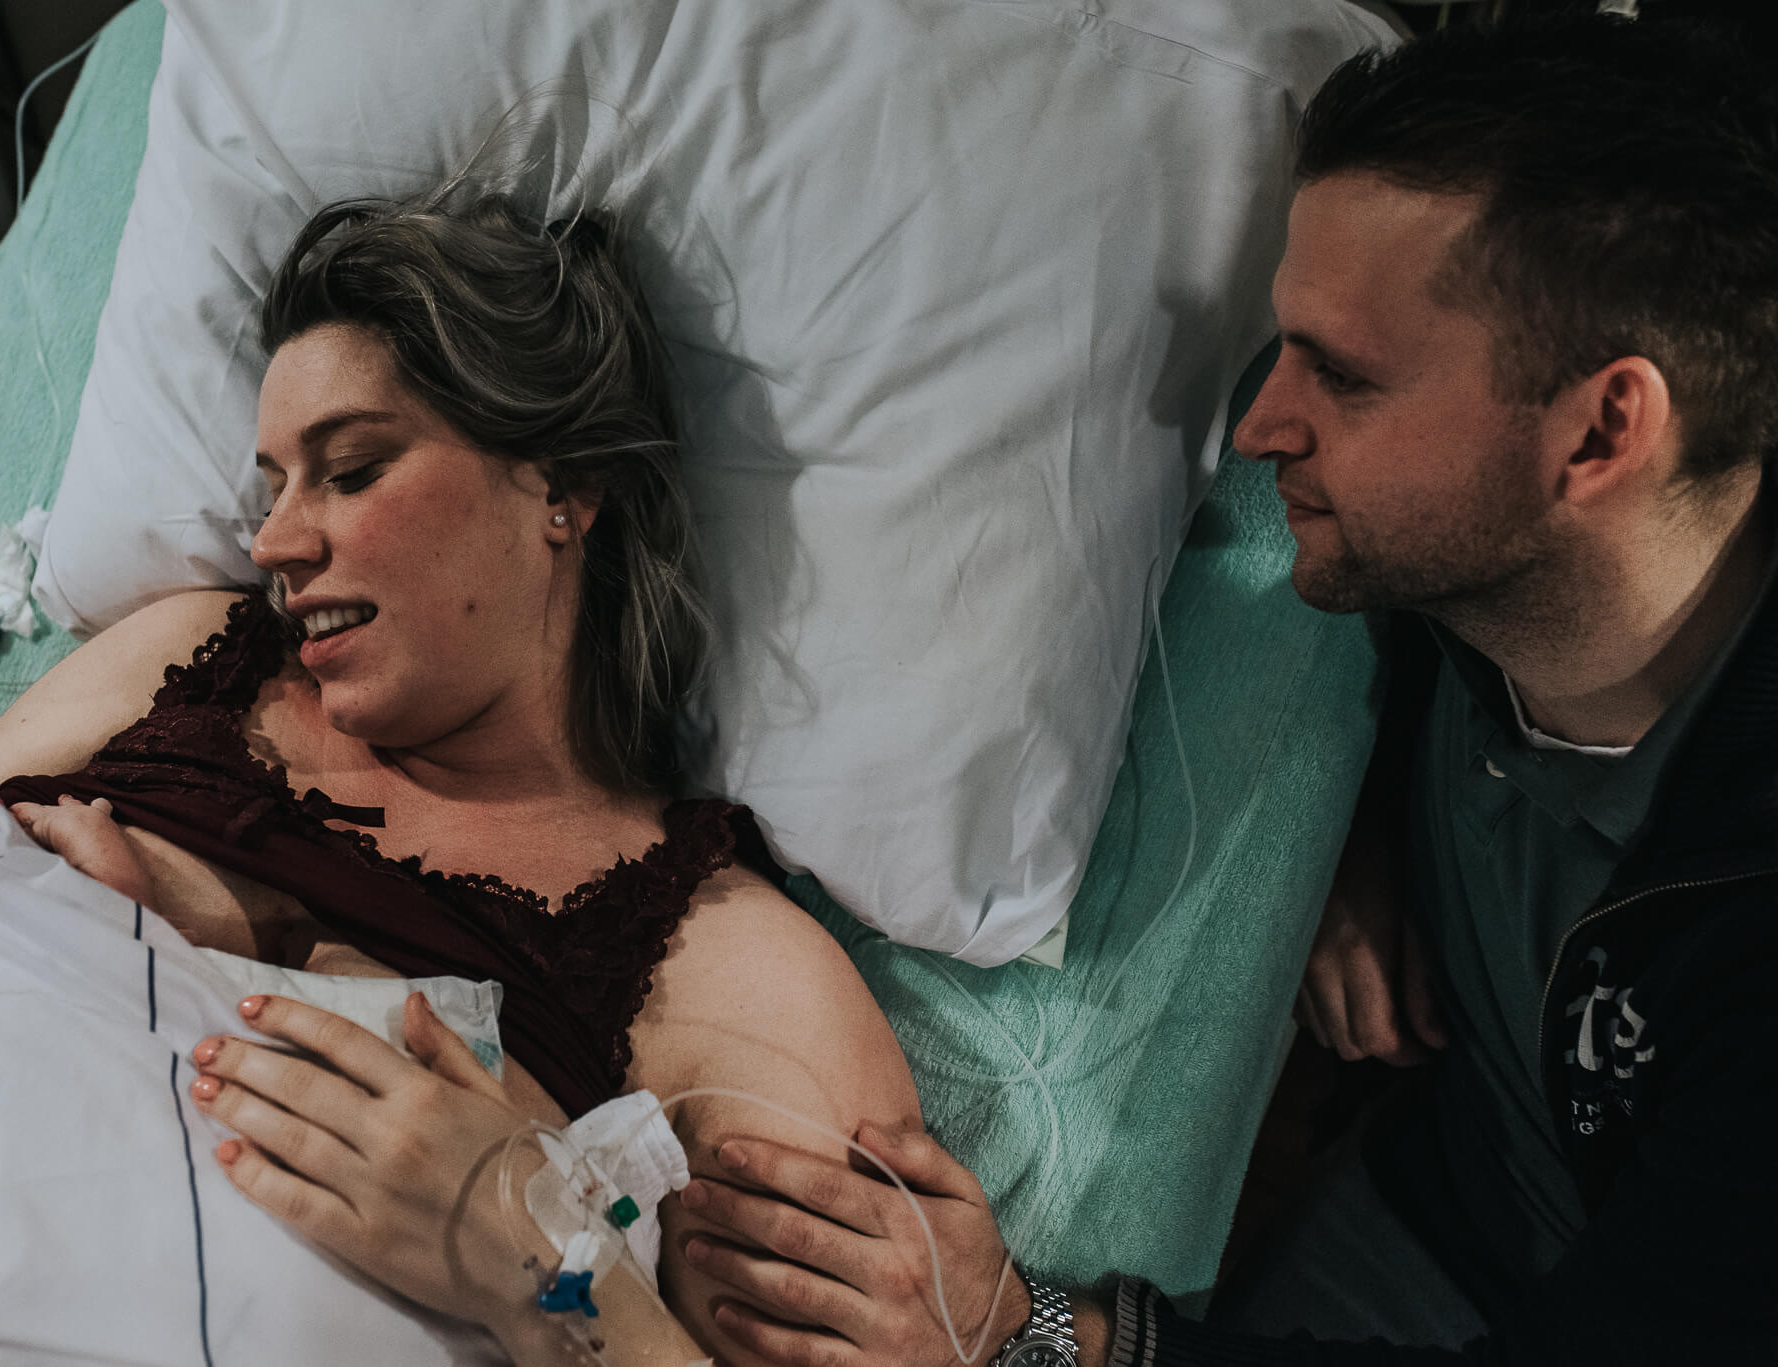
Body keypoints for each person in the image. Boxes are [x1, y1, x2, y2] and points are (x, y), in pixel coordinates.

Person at [673, 14, 1778, 1366]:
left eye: (1344, 377)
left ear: (1602, 430)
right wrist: (1359, 828)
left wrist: (1032, 1328)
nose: (1261, 427)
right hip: (1445, 1195)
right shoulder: (1497, 565)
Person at [0, 190, 921, 1365]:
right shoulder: (182, 656)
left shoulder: (730, 976)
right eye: (271, 488)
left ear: (562, 485)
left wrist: (539, 1259)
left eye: (351, 470)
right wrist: (94, 947)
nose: (272, 543)